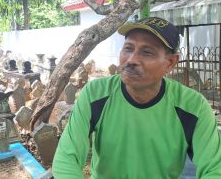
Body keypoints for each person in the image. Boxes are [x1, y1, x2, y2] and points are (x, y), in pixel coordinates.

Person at [52, 17, 221, 178]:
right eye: (128, 48)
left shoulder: (193, 107)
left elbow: (215, 168)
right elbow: (67, 157)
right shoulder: (95, 94)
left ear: (170, 63)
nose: (131, 60)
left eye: (147, 52)